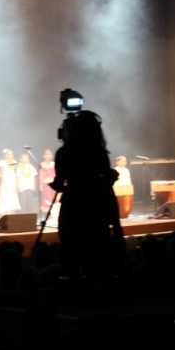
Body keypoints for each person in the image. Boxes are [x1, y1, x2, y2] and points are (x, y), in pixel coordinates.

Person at [50, 111, 123, 277]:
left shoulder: (64, 152)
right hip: (98, 207)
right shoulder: (99, 153)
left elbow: (61, 183)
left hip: (73, 207)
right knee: (98, 254)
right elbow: (104, 181)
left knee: (73, 253)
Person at [0, 149, 21, 216]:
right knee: (6, 196)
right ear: (5, 155)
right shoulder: (2, 162)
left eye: (12, 154)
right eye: (9, 154)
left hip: (13, 182)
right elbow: (1, 174)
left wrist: (17, 184)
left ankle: (13, 212)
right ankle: (6, 213)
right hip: (6, 182)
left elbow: (17, 174)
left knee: (13, 197)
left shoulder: (14, 162)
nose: (11, 155)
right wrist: (5, 185)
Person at [40, 149, 57, 221]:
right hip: (45, 184)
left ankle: (53, 214)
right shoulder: (42, 164)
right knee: (46, 199)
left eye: (49, 155)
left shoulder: (54, 164)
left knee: (53, 198)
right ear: (44, 156)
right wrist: (40, 185)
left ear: (52, 156)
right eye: (46, 155)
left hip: (53, 183)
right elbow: (40, 175)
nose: (48, 156)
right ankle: (47, 214)